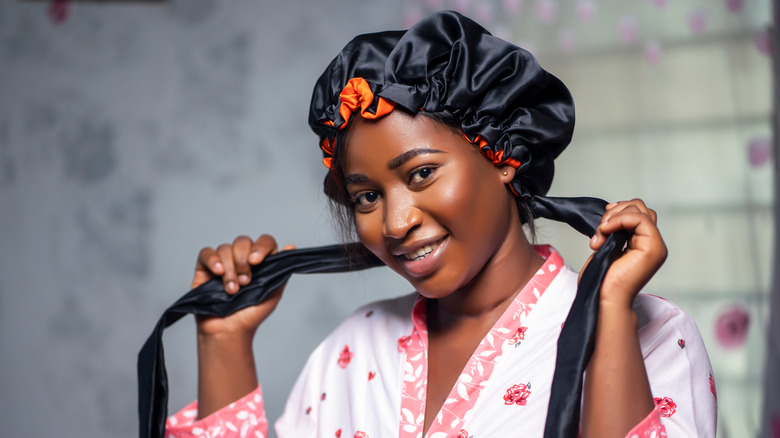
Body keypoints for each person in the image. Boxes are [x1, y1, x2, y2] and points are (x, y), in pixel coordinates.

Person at [164, 11, 716, 438]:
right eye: (366, 197)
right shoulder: (353, 350)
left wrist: (612, 309)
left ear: (501, 154)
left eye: (423, 173)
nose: (396, 222)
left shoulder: (651, 335)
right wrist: (223, 342)